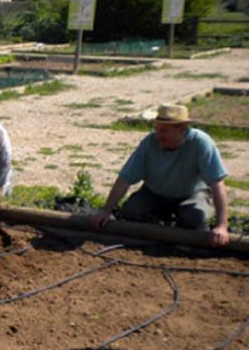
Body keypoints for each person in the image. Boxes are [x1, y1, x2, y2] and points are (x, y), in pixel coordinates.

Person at [89, 104, 229, 246]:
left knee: (193, 217)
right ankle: (161, 225)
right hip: (155, 192)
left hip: (192, 193)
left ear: (181, 129)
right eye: (156, 130)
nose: (158, 136)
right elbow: (125, 179)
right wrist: (106, 211)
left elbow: (217, 183)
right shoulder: (149, 142)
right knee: (131, 211)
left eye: (163, 131)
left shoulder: (201, 143)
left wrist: (222, 225)